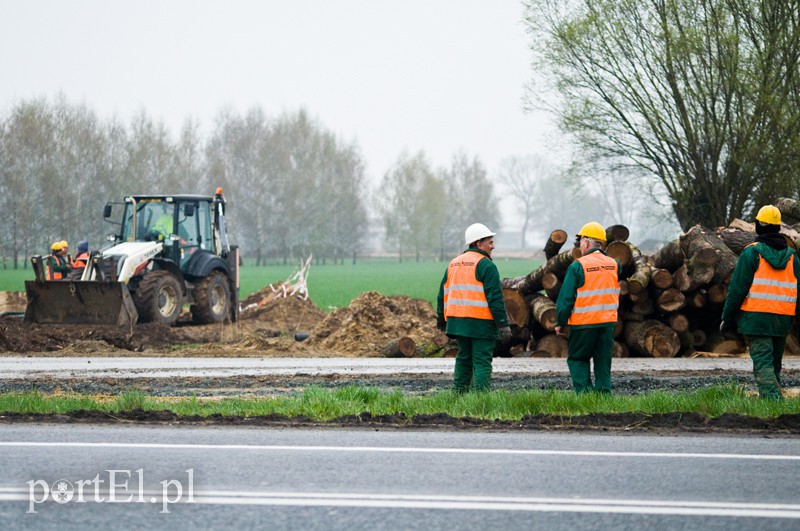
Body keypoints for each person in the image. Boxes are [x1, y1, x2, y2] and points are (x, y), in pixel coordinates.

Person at [720, 205, 799, 400]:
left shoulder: (751, 254)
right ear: (778, 227)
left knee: (763, 363)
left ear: (758, 226)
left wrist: (727, 317)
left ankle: (773, 400)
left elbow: (737, 290)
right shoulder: (792, 258)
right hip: (781, 320)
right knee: (774, 364)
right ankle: (772, 403)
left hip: (756, 319)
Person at [437, 223, 511, 393]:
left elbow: (442, 293)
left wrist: (441, 317)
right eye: (490, 242)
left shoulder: (453, 264)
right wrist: (503, 324)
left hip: (457, 322)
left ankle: (458, 395)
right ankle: (481, 399)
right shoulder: (486, 265)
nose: (493, 246)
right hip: (481, 323)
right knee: (482, 360)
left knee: (463, 357)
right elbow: (495, 298)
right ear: (479, 243)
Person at [555, 222, 621, 394]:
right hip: (607, 322)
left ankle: (585, 396)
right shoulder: (614, 264)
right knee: (603, 361)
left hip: (583, 323)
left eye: (580, 243)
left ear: (586, 243)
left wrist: (560, 321)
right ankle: (603, 396)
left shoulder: (578, 266)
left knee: (578, 359)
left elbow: (566, 298)